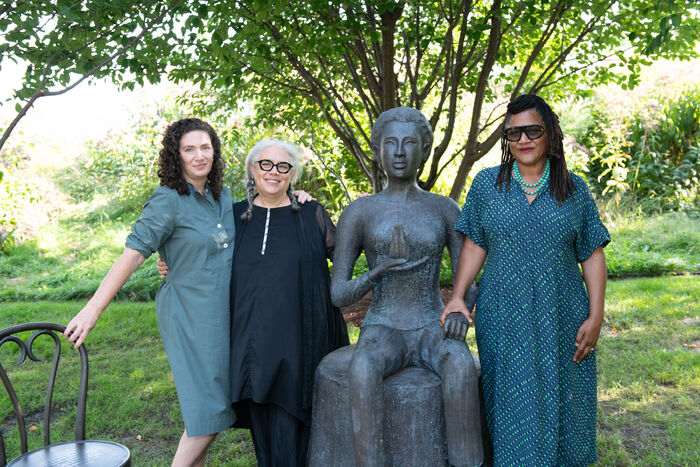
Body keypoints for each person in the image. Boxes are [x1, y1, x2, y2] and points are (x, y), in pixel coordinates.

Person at [63, 119, 312, 466]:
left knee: (203, 412)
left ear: (215, 152)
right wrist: (94, 308)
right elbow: (134, 254)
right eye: (189, 149)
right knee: (210, 413)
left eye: (205, 148)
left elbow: (255, 224)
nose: (199, 156)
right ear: (175, 155)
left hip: (226, 316)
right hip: (188, 316)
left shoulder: (224, 198)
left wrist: (296, 195)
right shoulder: (167, 201)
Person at [441, 94, 610, 466]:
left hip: (563, 311)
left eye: (532, 130)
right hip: (503, 313)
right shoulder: (487, 185)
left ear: (549, 132)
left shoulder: (573, 188)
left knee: (567, 395)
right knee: (511, 398)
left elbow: (592, 253)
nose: (523, 140)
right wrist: (457, 297)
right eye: (513, 133)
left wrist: (596, 316)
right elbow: (474, 244)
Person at [331, 107, 483, 467]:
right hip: (383, 326)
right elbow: (338, 294)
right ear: (377, 150)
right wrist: (375, 273)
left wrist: (460, 307)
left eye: (410, 143)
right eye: (391, 143)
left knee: (460, 365)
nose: (400, 152)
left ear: (424, 150)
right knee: (364, 366)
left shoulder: (444, 209)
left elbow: (469, 282)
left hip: (433, 322)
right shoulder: (359, 213)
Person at [230, 139, 348, 466]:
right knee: (263, 429)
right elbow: (203, 258)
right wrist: (169, 263)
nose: (274, 172)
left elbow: (345, 256)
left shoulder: (311, 214)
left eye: (283, 167)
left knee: (295, 429)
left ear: (292, 174)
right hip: (250, 345)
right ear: (252, 169)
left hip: (299, 343)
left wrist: (363, 215)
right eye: (265, 164)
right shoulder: (234, 216)